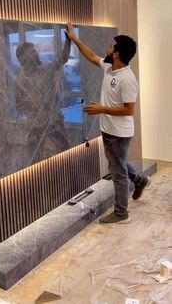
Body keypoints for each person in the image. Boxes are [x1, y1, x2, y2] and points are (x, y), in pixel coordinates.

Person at [65, 22, 150, 225]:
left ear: (117, 54)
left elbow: (130, 110)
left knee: (117, 171)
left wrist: (101, 109)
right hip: (109, 130)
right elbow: (92, 56)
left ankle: (121, 213)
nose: (108, 48)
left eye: (112, 47)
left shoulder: (127, 79)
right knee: (117, 163)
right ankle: (140, 180)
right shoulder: (109, 67)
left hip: (119, 133)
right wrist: (74, 38)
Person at [14, 35, 70, 163]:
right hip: (35, 124)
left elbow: (63, 59)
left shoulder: (45, 69)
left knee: (66, 152)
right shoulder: (20, 81)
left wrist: (68, 40)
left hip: (54, 119)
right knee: (34, 159)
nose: (36, 53)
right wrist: (33, 106)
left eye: (35, 50)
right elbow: (18, 105)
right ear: (24, 59)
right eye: (32, 51)